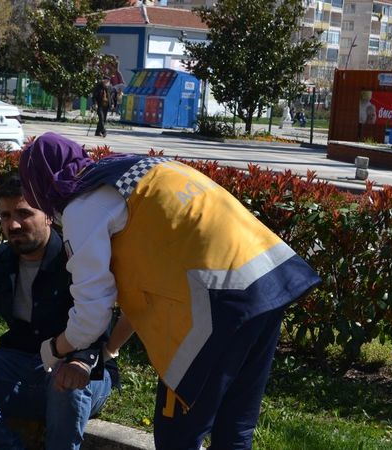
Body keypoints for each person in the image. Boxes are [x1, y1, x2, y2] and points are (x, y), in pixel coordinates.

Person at [18, 132, 321, 450]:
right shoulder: (129, 170)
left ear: (38, 184)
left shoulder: (82, 206)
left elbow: (91, 315)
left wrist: (54, 348)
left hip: (216, 303)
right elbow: (144, 294)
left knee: (177, 436)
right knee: (234, 428)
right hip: (268, 279)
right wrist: (107, 351)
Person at [0, 175, 117, 450]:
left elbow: (99, 326)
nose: (13, 225)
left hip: (80, 369)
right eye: (5, 216)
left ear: (48, 216)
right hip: (20, 365)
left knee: (68, 381)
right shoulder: (1, 258)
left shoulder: (76, 260)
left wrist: (80, 362)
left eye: (24, 213)